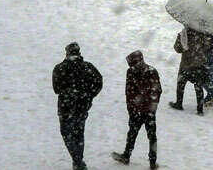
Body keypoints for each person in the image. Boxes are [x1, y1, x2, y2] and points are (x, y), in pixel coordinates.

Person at [52, 42, 103, 170]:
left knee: (66, 134)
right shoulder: (88, 67)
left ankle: (77, 161)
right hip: (82, 107)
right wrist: (89, 96)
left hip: (65, 108)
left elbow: (56, 89)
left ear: (67, 52)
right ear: (79, 52)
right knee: (79, 134)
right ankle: (78, 161)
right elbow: (99, 82)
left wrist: (68, 92)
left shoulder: (59, 68)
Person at [111, 50, 161, 169]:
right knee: (150, 136)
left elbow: (129, 93)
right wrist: (151, 107)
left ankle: (127, 156)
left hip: (139, 110)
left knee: (134, 133)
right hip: (146, 111)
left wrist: (133, 108)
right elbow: (157, 91)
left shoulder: (133, 72)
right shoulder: (151, 71)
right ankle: (152, 162)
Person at [170, 27, 213, 115]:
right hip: (198, 65)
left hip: (186, 65)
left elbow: (177, 49)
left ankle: (179, 103)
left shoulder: (184, 34)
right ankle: (200, 109)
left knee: (180, 84)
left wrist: (181, 40)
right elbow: (208, 47)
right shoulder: (203, 33)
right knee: (198, 87)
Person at [202, 35, 213, 108]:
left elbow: (207, 44)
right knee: (209, 75)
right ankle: (210, 98)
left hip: (208, 56)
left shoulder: (210, 32)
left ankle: (211, 94)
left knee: (202, 76)